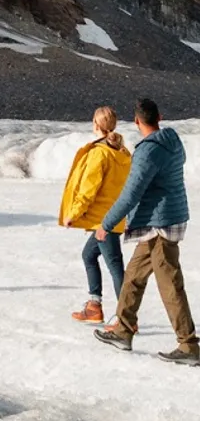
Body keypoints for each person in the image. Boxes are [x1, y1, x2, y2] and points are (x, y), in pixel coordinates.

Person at [93, 97, 198, 365]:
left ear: (137, 121)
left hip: (159, 224)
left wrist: (106, 224)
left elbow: (131, 194)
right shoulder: (171, 141)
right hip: (166, 219)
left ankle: (188, 345)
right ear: (159, 117)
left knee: (170, 285)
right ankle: (123, 331)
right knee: (133, 277)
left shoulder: (148, 151)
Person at [59, 106, 131, 324]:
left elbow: (88, 188)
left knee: (114, 265)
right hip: (115, 216)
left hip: (103, 221)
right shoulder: (122, 152)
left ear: (96, 125)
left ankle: (126, 318)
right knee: (89, 256)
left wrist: (74, 213)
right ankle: (94, 306)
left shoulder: (99, 153)